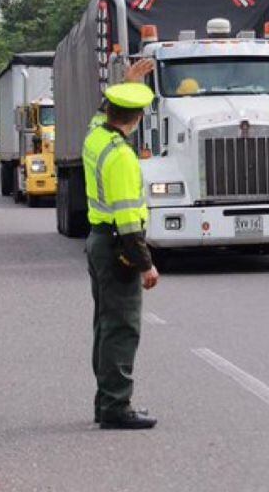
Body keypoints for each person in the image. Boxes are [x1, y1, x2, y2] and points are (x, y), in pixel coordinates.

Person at [83, 80, 160, 430]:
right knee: (122, 327)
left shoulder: (95, 138)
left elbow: (98, 116)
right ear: (138, 118)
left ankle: (106, 402)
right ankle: (116, 405)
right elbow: (128, 221)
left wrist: (125, 80)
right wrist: (146, 265)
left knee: (106, 323)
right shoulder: (122, 157)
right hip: (118, 246)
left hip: (98, 239)